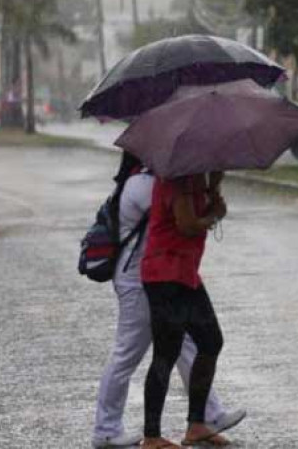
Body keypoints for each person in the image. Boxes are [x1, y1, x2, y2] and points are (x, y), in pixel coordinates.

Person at [92, 154, 244, 449]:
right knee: (143, 352)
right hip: (150, 277)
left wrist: (213, 185)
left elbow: (196, 212)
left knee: (201, 342)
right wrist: (212, 202)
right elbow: (186, 221)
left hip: (180, 273)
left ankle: (204, 419)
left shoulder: (179, 178)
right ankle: (113, 431)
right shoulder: (150, 183)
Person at [140, 171, 231, 449]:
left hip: (186, 273)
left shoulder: (195, 179)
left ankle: (196, 424)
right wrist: (214, 215)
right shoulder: (176, 177)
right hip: (164, 274)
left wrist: (214, 187)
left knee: (210, 340)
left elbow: (204, 213)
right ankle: (152, 436)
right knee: (166, 352)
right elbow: (188, 225)